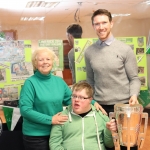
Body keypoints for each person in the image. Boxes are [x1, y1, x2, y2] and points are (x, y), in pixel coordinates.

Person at [19, 47, 105, 150]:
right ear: (35, 64)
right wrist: (51, 119)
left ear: (52, 62)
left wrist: (93, 102)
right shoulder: (30, 83)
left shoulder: (59, 81)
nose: (45, 62)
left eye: (48, 59)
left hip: (57, 132)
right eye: (40, 60)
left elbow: (71, 99)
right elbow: (25, 110)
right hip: (36, 136)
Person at [84, 9, 141, 115]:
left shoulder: (125, 49)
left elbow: (134, 79)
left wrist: (134, 95)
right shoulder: (89, 52)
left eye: (104, 23)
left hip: (123, 105)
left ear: (111, 24)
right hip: (99, 106)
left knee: (121, 132)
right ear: (93, 26)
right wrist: (92, 101)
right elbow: (90, 81)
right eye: (97, 24)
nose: (101, 27)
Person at [50, 81, 117, 150]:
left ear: (90, 100)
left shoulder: (101, 116)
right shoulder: (61, 117)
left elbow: (109, 145)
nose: (76, 100)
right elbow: (54, 144)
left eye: (81, 97)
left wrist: (109, 131)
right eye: (74, 96)